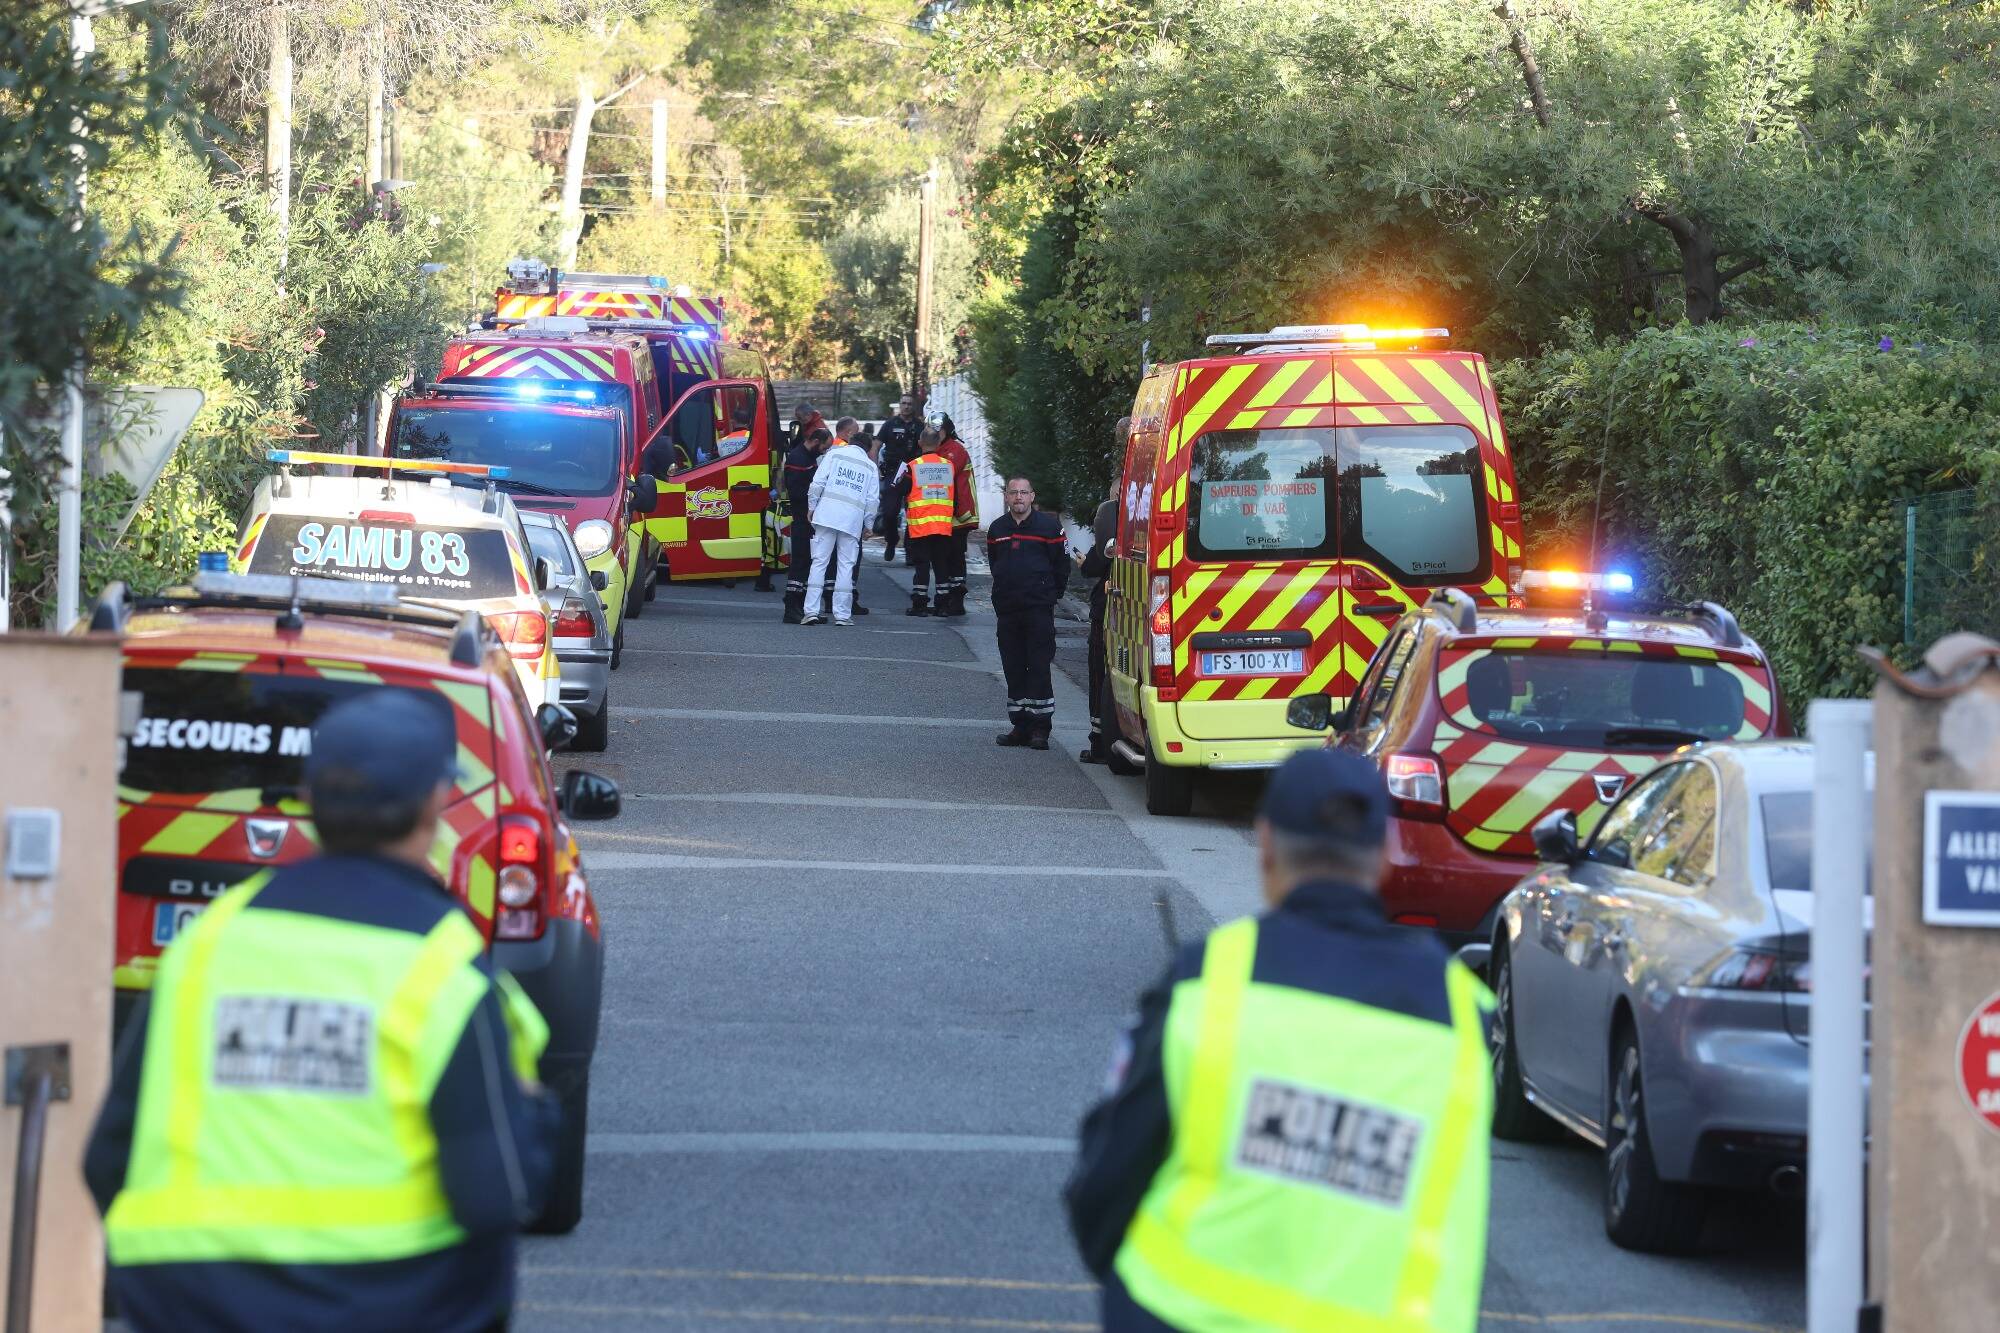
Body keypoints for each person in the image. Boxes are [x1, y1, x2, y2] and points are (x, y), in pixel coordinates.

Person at [85, 689, 560, 1333]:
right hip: (385, 1299)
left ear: (308, 799)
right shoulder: (443, 967)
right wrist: (536, 1112)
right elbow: (496, 1192)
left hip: (188, 1296)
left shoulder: (211, 941)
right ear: (433, 804)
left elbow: (106, 1158)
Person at [1063, 747, 1495, 1333]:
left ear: (1265, 843)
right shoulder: (1463, 1013)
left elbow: (1105, 1180)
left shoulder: (1210, 977)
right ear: (1384, 857)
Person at [987, 476, 1068, 748]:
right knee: (1013, 666)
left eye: (1023, 492)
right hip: (1008, 610)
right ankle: (1019, 726)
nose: (1018, 497)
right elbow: (995, 563)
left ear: (1032, 496)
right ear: (1007, 497)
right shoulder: (998, 529)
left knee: (1039, 666)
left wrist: (1050, 595)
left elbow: (1061, 566)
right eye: (1014, 493)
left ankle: (1040, 728)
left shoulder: (1049, 528)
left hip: (1038, 610)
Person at [802, 418, 879, 626]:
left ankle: (811, 611)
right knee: (846, 566)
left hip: (826, 515)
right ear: (867, 449)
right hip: (851, 521)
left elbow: (817, 483)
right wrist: (869, 525)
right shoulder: (870, 467)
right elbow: (872, 500)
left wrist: (811, 506)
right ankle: (843, 615)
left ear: (851, 442)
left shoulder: (834, 454)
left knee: (819, 562)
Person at [1076, 464, 1123, 764]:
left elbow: (1094, 565)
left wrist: (1084, 564)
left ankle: (1100, 744)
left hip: (1108, 612)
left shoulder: (1115, 525)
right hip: (1131, 615)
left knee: (1100, 675)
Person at [894, 426, 957, 615]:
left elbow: (901, 490)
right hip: (943, 526)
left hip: (921, 526)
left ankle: (920, 604)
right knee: (941, 565)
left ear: (920, 443)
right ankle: (943, 605)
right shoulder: (949, 466)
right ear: (939, 444)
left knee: (922, 565)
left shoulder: (913, 466)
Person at [781, 425, 831, 623]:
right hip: (802, 518)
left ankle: (801, 606)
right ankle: (791, 608)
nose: (824, 452)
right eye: (824, 447)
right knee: (800, 563)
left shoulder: (807, 458)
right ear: (816, 442)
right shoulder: (798, 459)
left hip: (809, 520)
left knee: (807, 563)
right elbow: (796, 492)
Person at [935, 414, 978, 617]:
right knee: (943, 556)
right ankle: (946, 598)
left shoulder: (955, 450)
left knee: (955, 556)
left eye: (939, 430)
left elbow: (943, 475)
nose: (935, 433)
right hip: (944, 514)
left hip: (960, 514)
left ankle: (957, 599)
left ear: (947, 430)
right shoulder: (939, 448)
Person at [875, 393, 925, 563]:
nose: (906, 406)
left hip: (914, 474)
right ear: (900, 405)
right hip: (893, 473)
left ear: (913, 406)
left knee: (914, 513)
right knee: (889, 512)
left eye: (909, 404)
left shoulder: (920, 426)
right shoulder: (890, 424)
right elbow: (876, 445)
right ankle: (891, 540)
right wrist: (874, 467)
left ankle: (911, 551)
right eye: (903, 403)